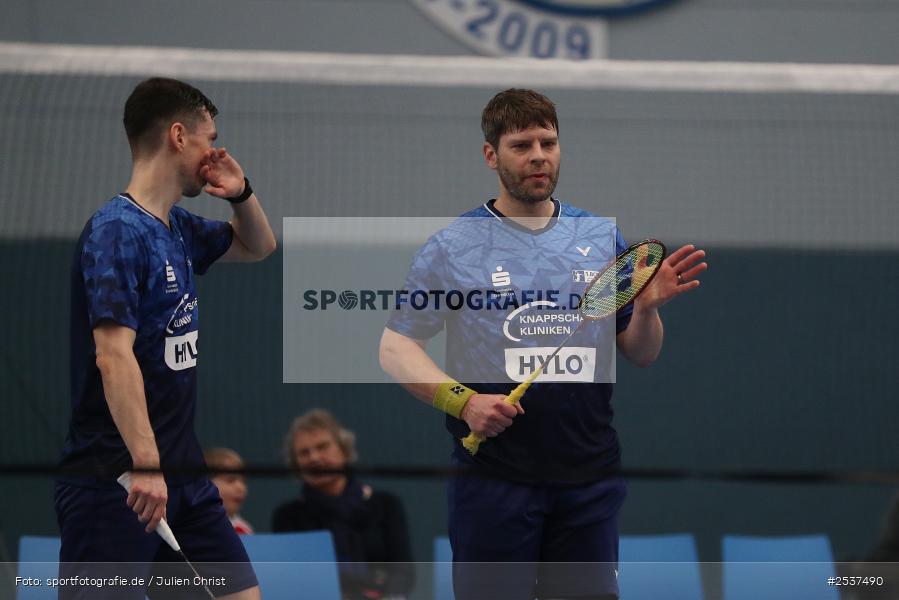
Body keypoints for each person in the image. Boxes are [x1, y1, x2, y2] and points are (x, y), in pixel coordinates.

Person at [379, 88, 707, 600]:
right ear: (492, 155)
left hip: (588, 479)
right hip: (494, 481)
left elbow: (640, 352)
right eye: (522, 144)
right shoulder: (452, 245)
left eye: (548, 142)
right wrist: (462, 402)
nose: (538, 155)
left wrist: (646, 309)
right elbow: (395, 348)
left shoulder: (601, 237)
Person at [56, 77, 276, 599]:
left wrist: (241, 192)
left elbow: (259, 245)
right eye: (210, 138)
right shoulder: (117, 231)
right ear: (179, 136)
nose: (215, 151)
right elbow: (113, 356)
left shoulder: (175, 226)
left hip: (184, 480)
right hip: (117, 482)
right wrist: (145, 463)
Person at [272, 409, 414, 600]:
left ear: (344, 450)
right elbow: (292, 582)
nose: (314, 457)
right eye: (304, 453)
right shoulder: (287, 516)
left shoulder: (385, 504)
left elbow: (403, 574)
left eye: (322, 447)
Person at [204, 447, 254, 534]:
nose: (241, 488)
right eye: (230, 480)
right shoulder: (194, 526)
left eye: (243, 481)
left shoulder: (243, 529)